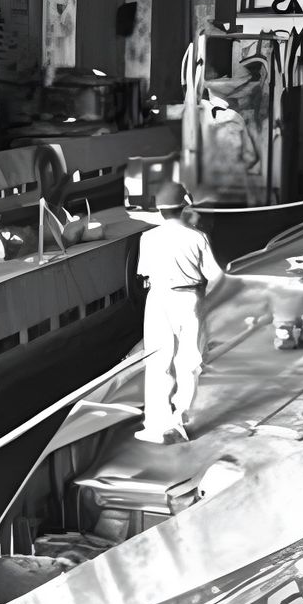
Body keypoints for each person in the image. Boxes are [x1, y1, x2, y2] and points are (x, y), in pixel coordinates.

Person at [135, 182, 224, 444]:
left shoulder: (147, 238)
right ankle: (182, 420)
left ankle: (155, 424)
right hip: (189, 299)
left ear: (160, 211)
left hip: (158, 298)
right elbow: (215, 276)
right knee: (190, 361)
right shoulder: (197, 237)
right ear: (183, 207)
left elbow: (144, 274)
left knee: (158, 360)